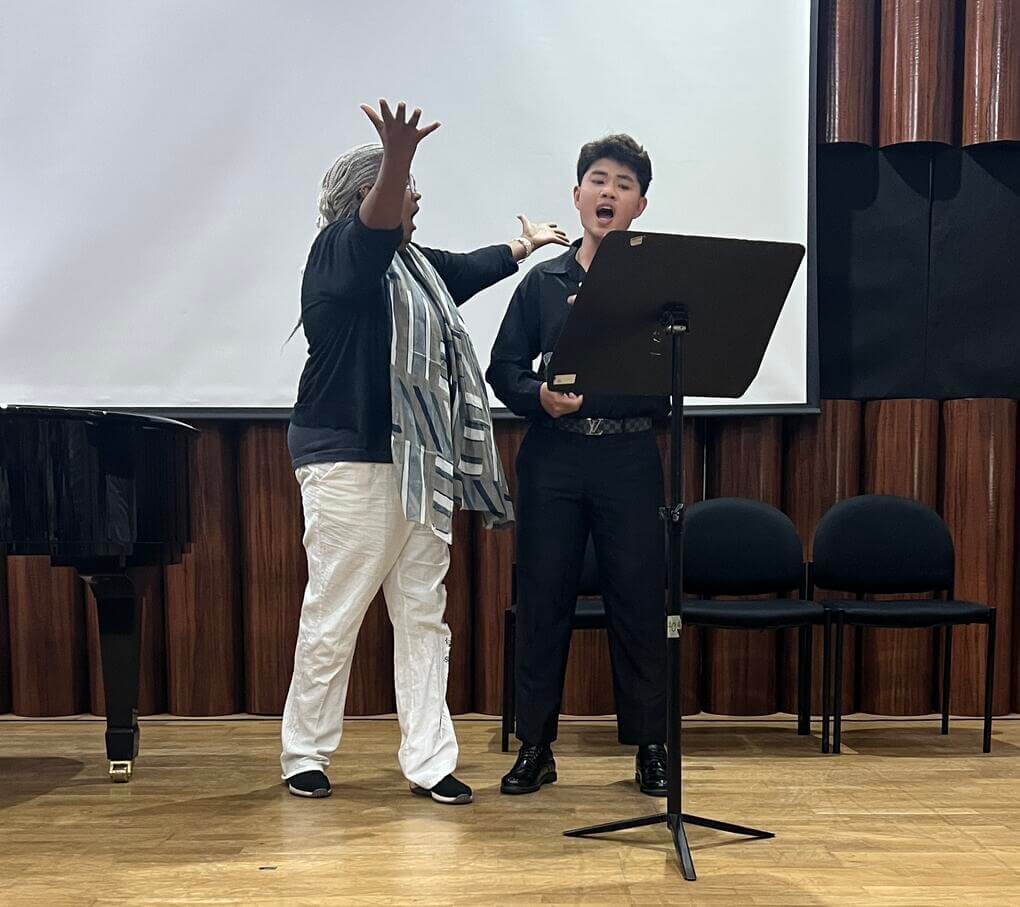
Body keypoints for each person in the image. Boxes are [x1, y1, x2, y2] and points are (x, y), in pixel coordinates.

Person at [282, 99, 568, 804]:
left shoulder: (415, 269)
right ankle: (304, 754)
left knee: (421, 613)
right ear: (365, 200)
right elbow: (375, 224)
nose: (417, 201)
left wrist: (524, 247)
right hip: (349, 458)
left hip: (421, 459)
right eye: (410, 191)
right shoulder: (339, 255)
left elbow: (467, 268)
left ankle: (430, 759)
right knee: (336, 608)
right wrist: (399, 159)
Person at [487, 134, 670, 796]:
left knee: (639, 601)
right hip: (554, 459)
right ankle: (536, 744)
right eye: (598, 180)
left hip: (628, 455)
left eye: (624, 184)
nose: (609, 192)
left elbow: (670, 387)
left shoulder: (658, 293)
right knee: (542, 600)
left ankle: (651, 745)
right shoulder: (544, 283)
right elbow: (502, 370)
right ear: (577, 195)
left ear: (639, 206)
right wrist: (537, 396)